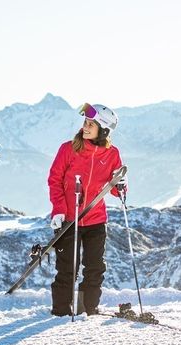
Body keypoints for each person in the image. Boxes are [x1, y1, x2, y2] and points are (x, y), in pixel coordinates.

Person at [47, 103, 125, 316]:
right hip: (69, 219)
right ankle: (61, 312)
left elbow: (115, 190)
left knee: (94, 269)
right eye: (85, 122)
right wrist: (59, 210)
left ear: (104, 130)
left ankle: (87, 310)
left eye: (91, 124)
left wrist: (120, 185)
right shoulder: (68, 149)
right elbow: (55, 181)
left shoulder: (112, 154)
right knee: (67, 269)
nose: (85, 127)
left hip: (96, 220)